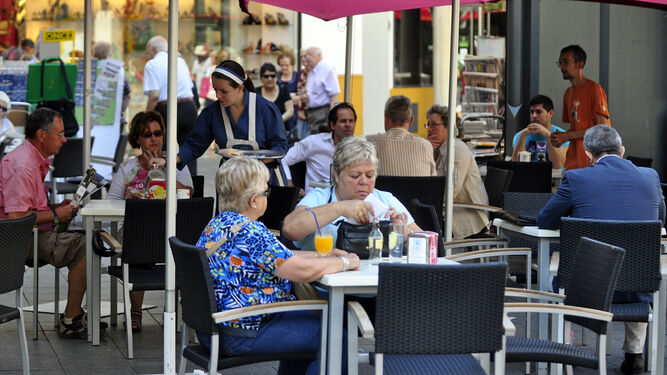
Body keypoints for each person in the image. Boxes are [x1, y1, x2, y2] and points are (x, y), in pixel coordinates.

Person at [196, 156, 359, 375]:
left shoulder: (219, 223)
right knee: (337, 337)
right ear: (254, 200)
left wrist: (323, 255)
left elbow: (283, 256)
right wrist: (344, 262)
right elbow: (302, 272)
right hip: (238, 332)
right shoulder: (252, 232)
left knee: (314, 325)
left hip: (214, 328)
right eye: (266, 192)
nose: (267, 196)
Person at [537, 125, 665, 374]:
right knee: (638, 266)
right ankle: (634, 353)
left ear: (588, 154)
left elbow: (545, 220)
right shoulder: (651, 176)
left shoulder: (576, 178)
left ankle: (566, 347)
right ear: (623, 151)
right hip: (637, 292)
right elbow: (660, 218)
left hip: (586, 289)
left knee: (552, 275)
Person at [0, 107, 106, 338]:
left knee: (89, 241)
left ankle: (73, 315)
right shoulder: (22, 164)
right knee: (88, 246)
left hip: (32, 233)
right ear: (41, 135)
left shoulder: (31, 159)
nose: (64, 139)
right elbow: (16, 219)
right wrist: (57, 215)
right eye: (59, 134)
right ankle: (71, 319)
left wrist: (54, 208)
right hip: (17, 241)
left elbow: (28, 208)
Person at [106, 111, 192, 331]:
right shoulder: (127, 169)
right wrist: (128, 197)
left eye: (158, 133)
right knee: (136, 236)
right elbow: (109, 205)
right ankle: (135, 311)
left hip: (170, 231)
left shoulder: (176, 163)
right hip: (139, 235)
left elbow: (189, 194)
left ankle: (171, 310)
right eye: (147, 134)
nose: (154, 138)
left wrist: (161, 171)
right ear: (137, 139)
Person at [283, 136, 421, 251]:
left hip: (375, 279)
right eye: (355, 176)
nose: (364, 182)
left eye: (370, 175)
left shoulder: (384, 199)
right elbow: (290, 229)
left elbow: (424, 239)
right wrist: (341, 208)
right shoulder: (321, 197)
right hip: (327, 279)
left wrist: (404, 233)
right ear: (337, 175)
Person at [177, 60, 288, 186]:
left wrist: (264, 159)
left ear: (240, 87)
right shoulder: (212, 113)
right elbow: (195, 145)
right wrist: (173, 159)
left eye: (224, 91)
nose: (218, 95)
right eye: (215, 89)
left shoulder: (265, 109)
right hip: (230, 183)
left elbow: (279, 146)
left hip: (266, 181)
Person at [426, 105, 489, 239]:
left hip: (465, 216)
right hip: (449, 210)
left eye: (434, 125)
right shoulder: (440, 150)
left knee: (417, 220)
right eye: (428, 125)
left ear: (449, 127)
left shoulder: (456, 149)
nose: (429, 130)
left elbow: (450, 191)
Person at [143, 35, 198, 173]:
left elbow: (154, 96)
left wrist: (145, 117)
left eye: (148, 51)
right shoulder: (180, 60)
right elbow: (191, 87)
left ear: (154, 49)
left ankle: (162, 186)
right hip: (188, 107)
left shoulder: (152, 64)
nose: (147, 55)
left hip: (166, 108)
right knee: (188, 150)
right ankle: (191, 188)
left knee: (161, 149)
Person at [551, 45, 610, 170]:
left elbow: (603, 129)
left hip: (592, 163)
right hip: (573, 163)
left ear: (580, 64)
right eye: (560, 63)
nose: (561, 67)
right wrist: (560, 137)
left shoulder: (594, 90)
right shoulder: (568, 93)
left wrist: (567, 136)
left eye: (565, 62)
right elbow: (576, 127)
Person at [281, 102, 356, 194]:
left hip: (346, 200)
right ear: (332, 125)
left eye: (351, 121)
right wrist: (288, 182)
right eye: (343, 121)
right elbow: (284, 159)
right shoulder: (314, 142)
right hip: (317, 201)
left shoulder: (358, 149)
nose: (348, 125)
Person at [366, 95, 435, 176]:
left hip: (385, 188)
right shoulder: (425, 146)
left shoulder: (368, 143)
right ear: (411, 120)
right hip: (416, 189)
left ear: (386, 118)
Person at [511, 94, 568, 168]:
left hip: (552, 178)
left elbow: (557, 165)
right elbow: (516, 165)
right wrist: (523, 136)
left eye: (538, 112)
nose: (534, 115)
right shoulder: (520, 135)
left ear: (550, 113)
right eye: (532, 112)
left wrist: (548, 135)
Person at [93, 41, 131, 132]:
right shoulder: (119, 70)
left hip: (91, 120)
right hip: (115, 120)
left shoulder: (87, 69)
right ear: (110, 55)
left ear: (94, 54)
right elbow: (127, 94)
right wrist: (119, 110)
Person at [303, 47, 340, 134]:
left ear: (319, 56)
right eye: (306, 55)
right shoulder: (312, 71)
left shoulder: (327, 69)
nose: (307, 57)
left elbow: (334, 94)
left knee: (320, 140)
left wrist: (332, 115)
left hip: (323, 113)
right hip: (312, 113)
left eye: (310, 55)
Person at [257, 62, 294, 140]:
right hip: (262, 134)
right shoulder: (256, 92)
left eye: (273, 76)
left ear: (276, 77)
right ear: (261, 78)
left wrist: (276, 121)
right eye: (266, 76)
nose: (270, 79)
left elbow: (290, 111)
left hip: (283, 133)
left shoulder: (284, 89)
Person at [277, 52, 300, 141]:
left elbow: (300, 97)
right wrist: (291, 96)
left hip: (295, 115)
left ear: (292, 65)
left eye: (287, 65)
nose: (284, 68)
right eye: (282, 65)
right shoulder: (276, 77)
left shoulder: (298, 76)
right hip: (280, 113)